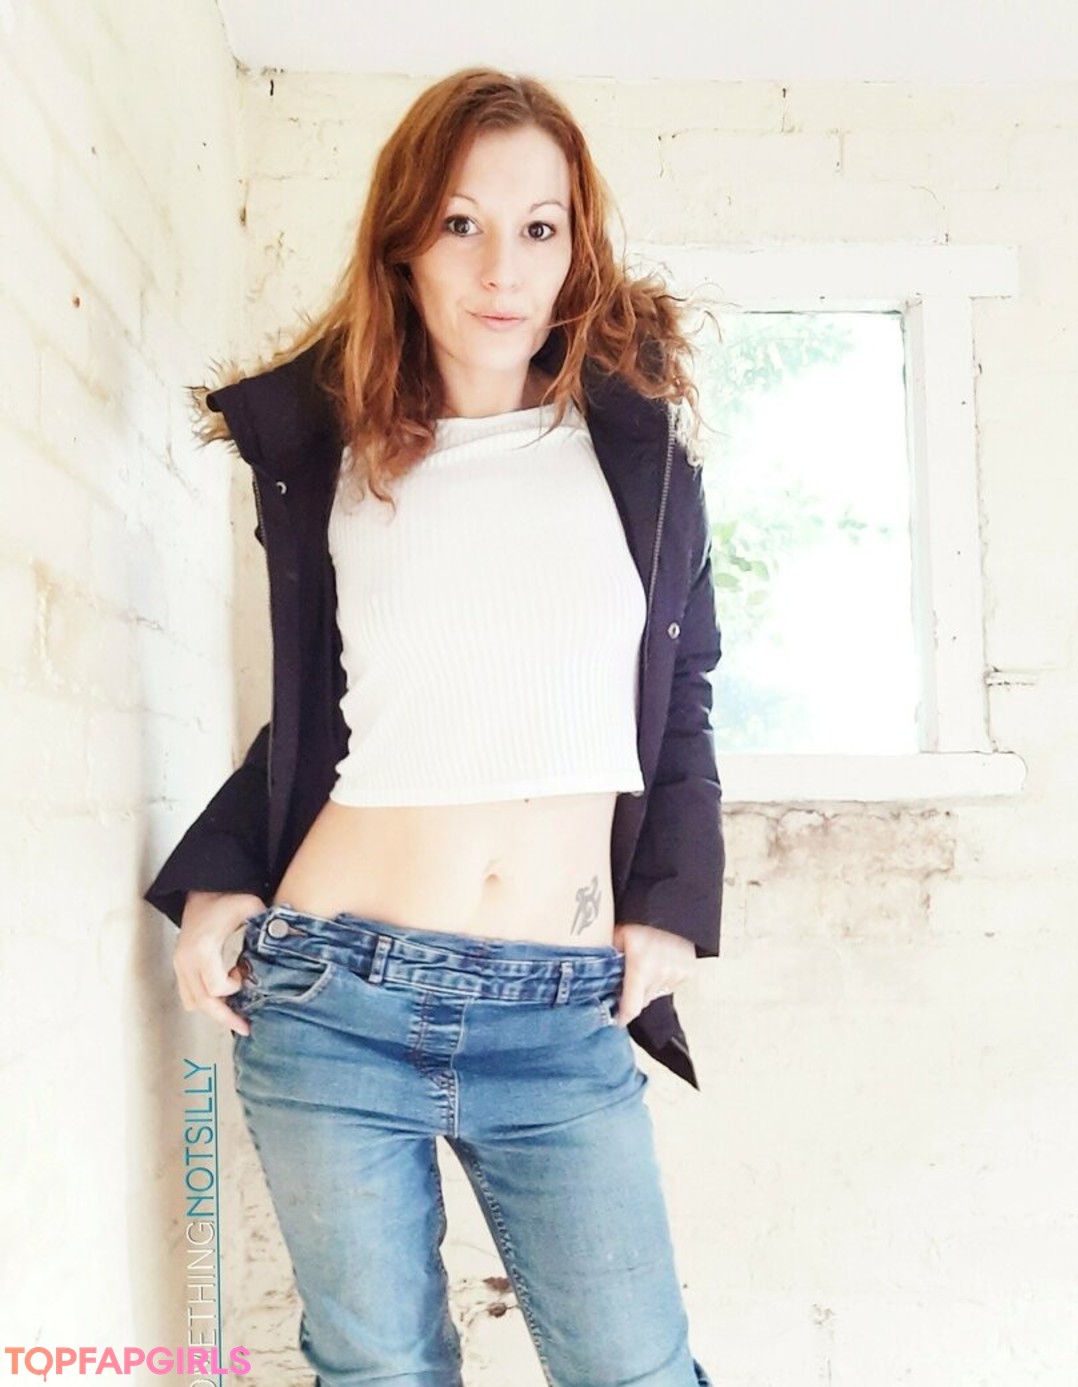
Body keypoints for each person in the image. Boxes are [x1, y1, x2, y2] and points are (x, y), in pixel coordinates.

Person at [145, 67, 724, 1387]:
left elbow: (682, 702)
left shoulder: (643, 466)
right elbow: (325, 717)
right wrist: (219, 881)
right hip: (330, 995)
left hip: (561, 1008)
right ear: (404, 242)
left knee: (638, 1370)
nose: (501, 266)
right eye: (462, 223)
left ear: (577, 250)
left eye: (539, 226)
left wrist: (672, 906)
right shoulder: (330, 462)